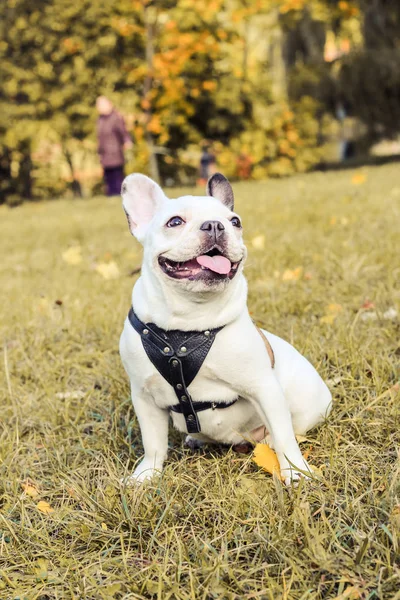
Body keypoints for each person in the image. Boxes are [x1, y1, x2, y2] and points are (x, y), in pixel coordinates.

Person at [96, 96, 133, 196]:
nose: (99, 107)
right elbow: (100, 138)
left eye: (101, 105)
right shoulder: (100, 119)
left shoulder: (116, 117)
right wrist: (99, 152)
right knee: (108, 177)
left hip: (115, 152)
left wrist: (127, 141)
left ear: (109, 104)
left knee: (117, 177)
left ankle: (120, 195)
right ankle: (111, 195)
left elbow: (123, 132)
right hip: (105, 153)